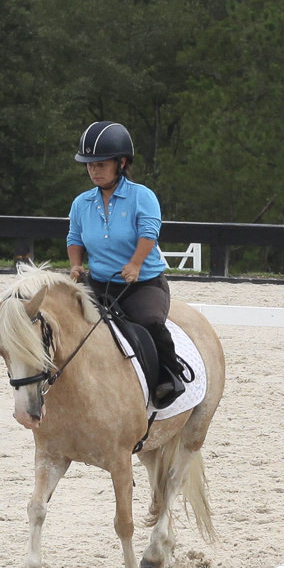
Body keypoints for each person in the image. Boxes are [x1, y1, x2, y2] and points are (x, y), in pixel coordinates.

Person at [65, 121, 186, 408]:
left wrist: (135, 264)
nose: (94, 170)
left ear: (121, 163)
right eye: (90, 165)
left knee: (149, 323)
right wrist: (75, 265)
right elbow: (74, 236)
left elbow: (148, 233)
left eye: (101, 164)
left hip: (142, 283)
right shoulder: (82, 203)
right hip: (100, 282)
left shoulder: (141, 196)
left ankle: (169, 376)